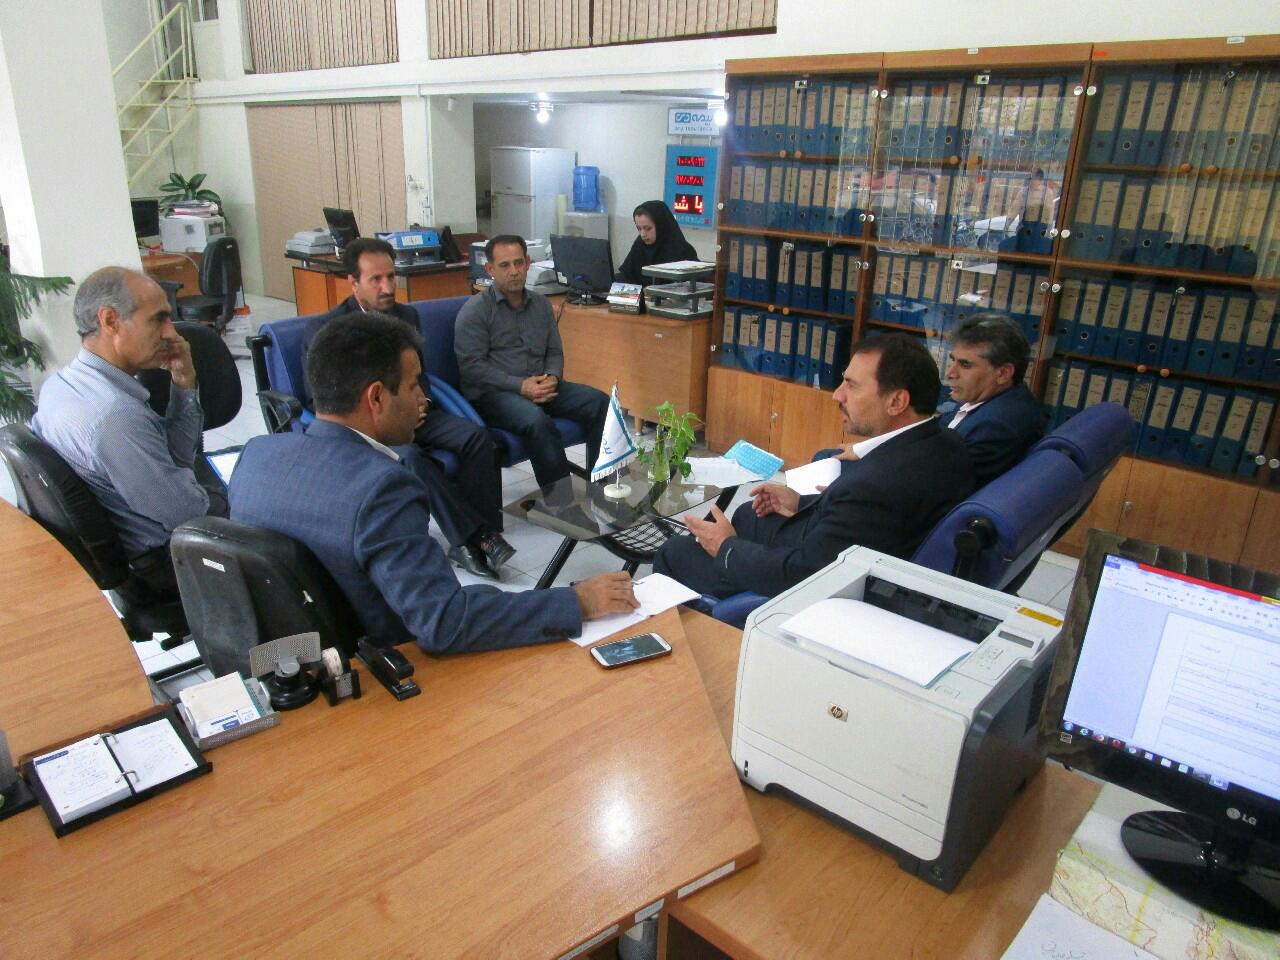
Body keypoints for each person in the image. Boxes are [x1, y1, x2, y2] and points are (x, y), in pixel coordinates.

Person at [230, 312, 638, 653]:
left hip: (294, 670)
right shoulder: (383, 488)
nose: (422, 400)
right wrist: (575, 602)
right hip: (388, 674)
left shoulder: (255, 454)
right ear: (376, 398)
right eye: (413, 386)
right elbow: (445, 622)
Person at [654, 333, 974, 599]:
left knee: (676, 551)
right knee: (748, 514)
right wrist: (802, 502)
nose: (838, 395)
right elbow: (867, 521)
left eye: (852, 385)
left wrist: (726, 548)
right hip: (843, 545)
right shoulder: (946, 442)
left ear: (896, 402)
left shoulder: (876, 486)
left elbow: (805, 575)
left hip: (810, 585)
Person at [304, 237, 513, 579]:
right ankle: (467, 540)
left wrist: (421, 402)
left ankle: (487, 530)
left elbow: (419, 376)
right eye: (376, 280)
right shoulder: (328, 330)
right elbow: (319, 399)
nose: (388, 288)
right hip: (367, 426)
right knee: (411, 457)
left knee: (477, 437)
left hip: (414, 411)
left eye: (391, 277)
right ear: (353, 282)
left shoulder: (406, 316)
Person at [31, 266, 227, 592]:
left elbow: (176, 456)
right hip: (168, 563)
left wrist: (183, 383)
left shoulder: (60, 385)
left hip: (147, 539)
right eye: (158, 319)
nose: (171, 333)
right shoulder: (116, 417)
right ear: (110, 321)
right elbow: (187, 513)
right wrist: (229, 496)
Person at [455, 235, 609, 488]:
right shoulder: (475, 311)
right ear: (490, 269)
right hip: (495, 394)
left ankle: (602, 487)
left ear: (528, 263)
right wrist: (520, 386)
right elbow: (471, 367)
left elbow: (554, 351)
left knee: (601, 403)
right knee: (537, 421)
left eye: (518, 263)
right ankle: (561, 502)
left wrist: (553, 377)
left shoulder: (540, 305)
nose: (514, 271)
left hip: (542, 385)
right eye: (505, 265)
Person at [940, 313, 1045, 487]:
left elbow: (938, 484)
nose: (950, 374)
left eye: (965, 365)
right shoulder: (990, 399)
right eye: (953, 361)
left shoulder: (995, 426)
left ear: (1003, 373)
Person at [614, 200, 700, 286]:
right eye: (639, 229)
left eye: (648, 228)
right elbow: (626, 275)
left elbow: (686, 287)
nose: (643, 234)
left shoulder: (683, 251)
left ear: (661, 226)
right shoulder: (639, 246)